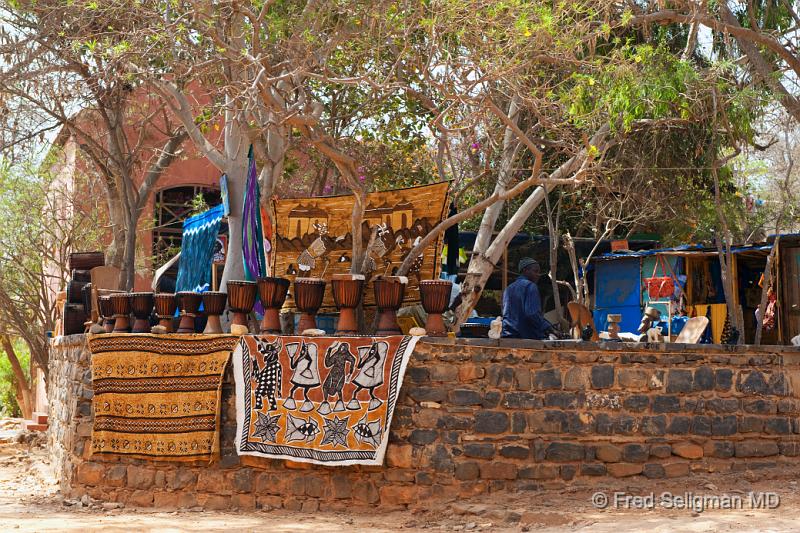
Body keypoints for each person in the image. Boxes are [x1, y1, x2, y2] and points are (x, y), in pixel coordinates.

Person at [502, 258, 555, 340]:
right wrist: (549, 328)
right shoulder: (530, 286)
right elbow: (532, 314)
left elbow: (506, 314)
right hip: (526, 336)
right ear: (525, 270)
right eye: (535, 271)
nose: (538, 275)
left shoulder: (508, 288)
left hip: (508, 335)